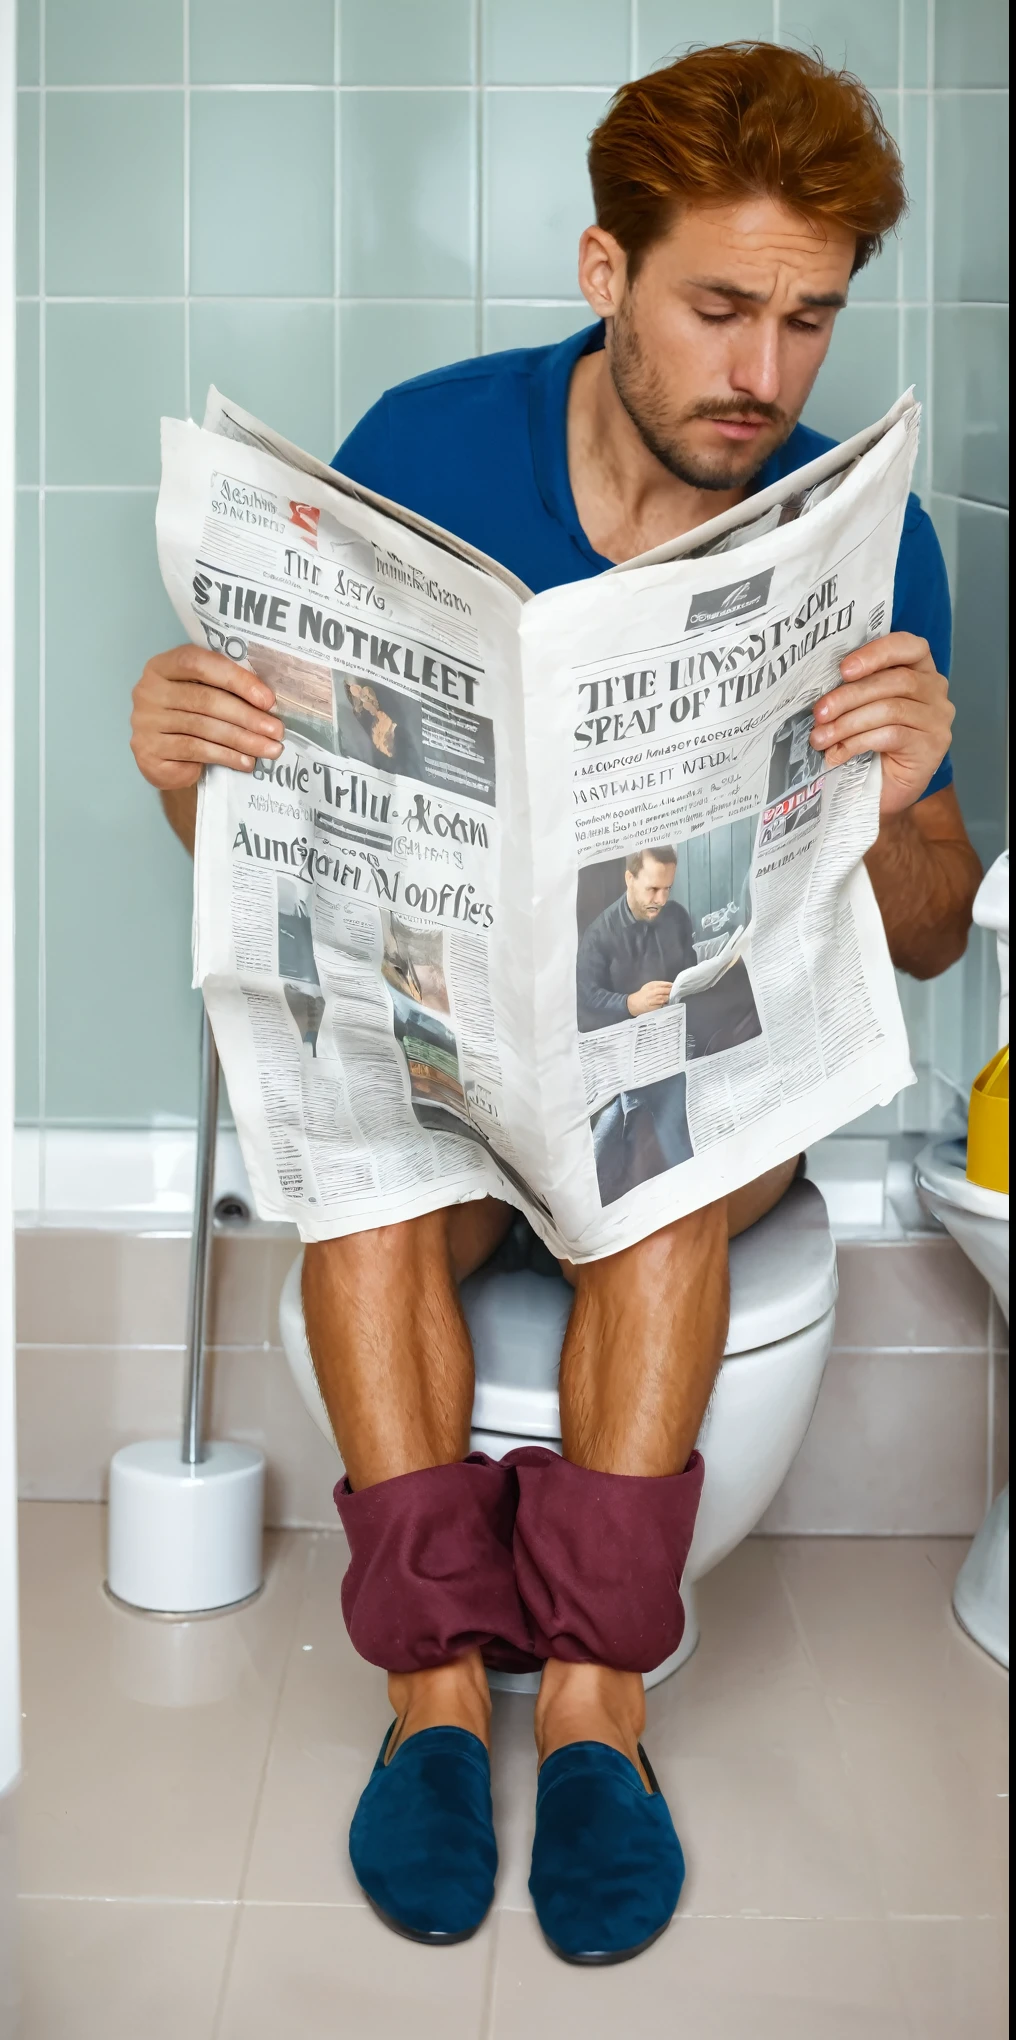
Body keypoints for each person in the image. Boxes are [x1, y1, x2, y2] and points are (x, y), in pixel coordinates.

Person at [129, 44, 982, 1967]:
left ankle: (597, 1700)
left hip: (672, 1090)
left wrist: (912, 796)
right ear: (605, 271)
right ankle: (433, 1693)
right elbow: (277, 839)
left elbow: (926, 943)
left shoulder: (858, 541)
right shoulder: (424, 449)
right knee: (353, 1171)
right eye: (718, 308)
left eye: (808, 320)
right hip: (442, 1074)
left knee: (666, 1180)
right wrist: (179, 758)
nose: (764, 376)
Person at [576, 847, 695, 1032]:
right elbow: (587, 999)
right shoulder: (597, 935)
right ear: (629, 879)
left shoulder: (678, 916)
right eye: (653, 889)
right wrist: (630, 1004)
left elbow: (691, 970)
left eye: (667, 888)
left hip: (679, 1026)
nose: (662, 900)